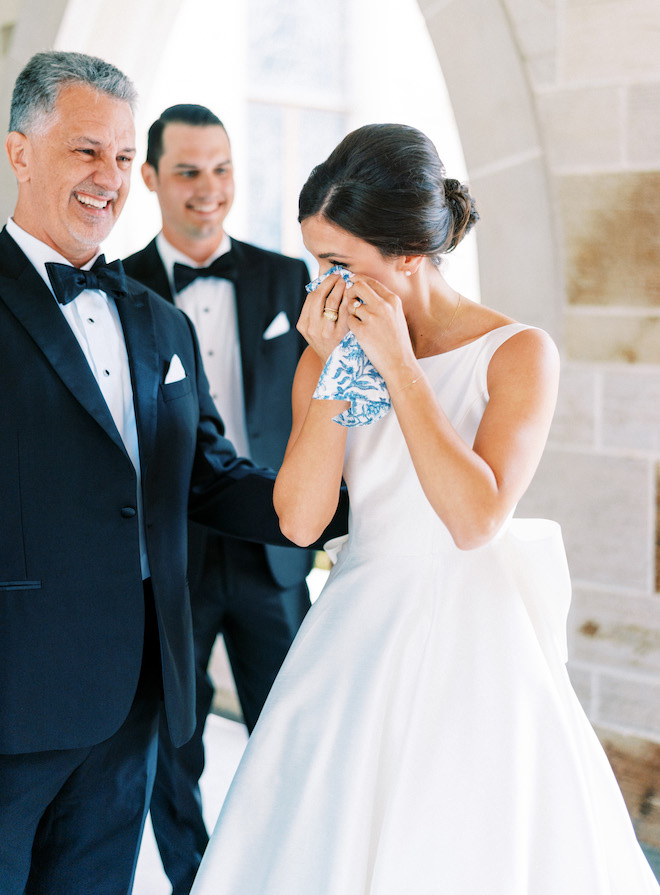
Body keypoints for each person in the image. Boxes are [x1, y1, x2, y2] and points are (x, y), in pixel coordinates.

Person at [190, 123, 660, 894]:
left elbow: (476, 520)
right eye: (317, 261)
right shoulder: (327, 351)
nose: (324, 283)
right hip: (355, 634)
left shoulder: (518, 353)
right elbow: (302, 521)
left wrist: (399, 366)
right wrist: (339, 371)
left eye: (338, 261)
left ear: (407, 254)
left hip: (480, 647)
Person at [0, 52, 346, 895]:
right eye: (87, 151)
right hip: (14, 698)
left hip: (140, 693)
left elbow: (207, 474)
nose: (108, 178)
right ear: (18, 152)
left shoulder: (157, 319)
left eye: (121, 158)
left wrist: (334, 500)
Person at [123, 104, 314, 894]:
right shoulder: (119, 289)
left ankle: (285, 869)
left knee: (293, 728)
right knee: (174, 738)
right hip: (174, 553)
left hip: (275, 545)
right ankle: (192, 877)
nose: (210, 190)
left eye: (223, 169)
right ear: (151, 179)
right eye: (189, 172)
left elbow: (321, 408)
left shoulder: (287, 277)